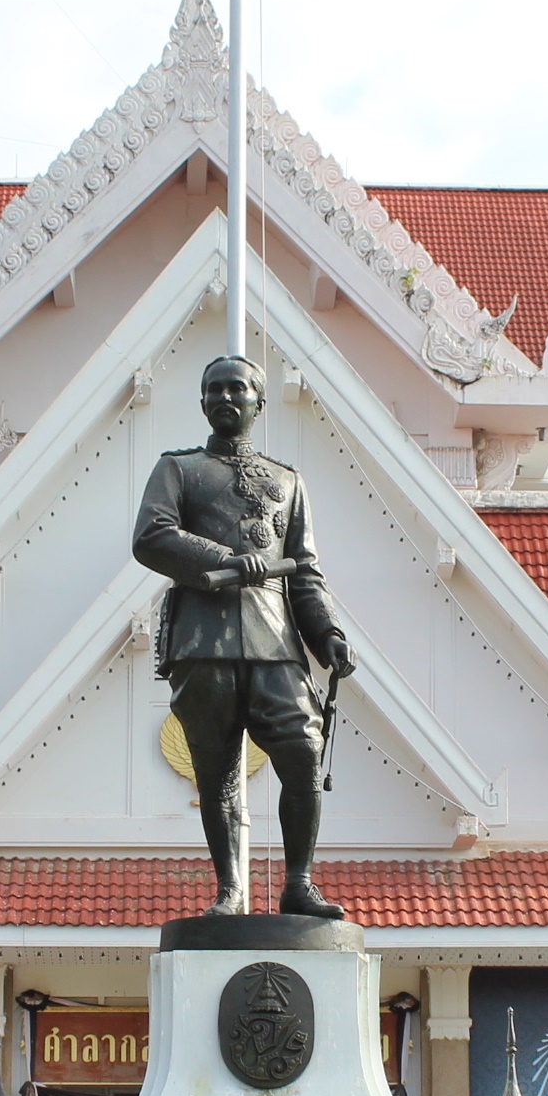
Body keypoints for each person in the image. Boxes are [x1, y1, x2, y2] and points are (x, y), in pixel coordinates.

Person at [130, 350, 356, 918]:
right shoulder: (178, 470)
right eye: (215, 391)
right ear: (202, 403)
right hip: (202, 640)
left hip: (274, 640)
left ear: (258, 401)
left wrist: (325, 633)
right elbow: (151, 535)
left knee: (303, 752)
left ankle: (298, 881)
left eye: (237, 389)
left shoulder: (287, 481)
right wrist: (227, 557)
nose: (225, 398)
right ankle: (230, 888)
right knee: (218, 770)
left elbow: (303, 570)